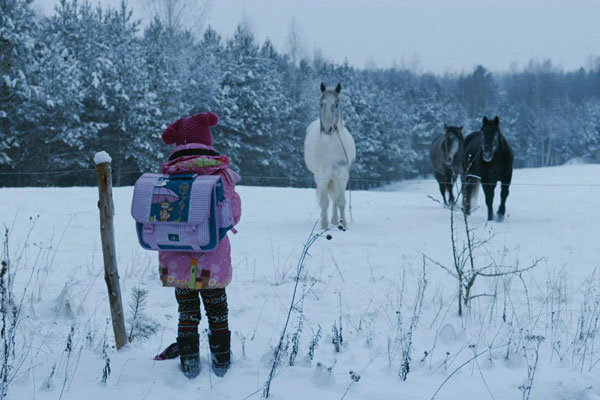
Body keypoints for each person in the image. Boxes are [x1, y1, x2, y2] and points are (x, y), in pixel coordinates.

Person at [153, 112, 241, 379]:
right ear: (207, 141)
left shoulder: (170, 174)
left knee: (187, 312)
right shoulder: (219, 173)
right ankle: (221, 362)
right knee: (217, 310)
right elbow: (233, 213)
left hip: (178, 261)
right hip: (212, 259)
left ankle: (189, 365)